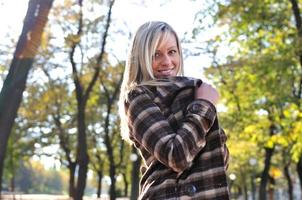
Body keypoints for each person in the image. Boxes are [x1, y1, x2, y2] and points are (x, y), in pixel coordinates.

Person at [119, 21, 229, 200]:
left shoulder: (190, 92)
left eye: (172, 52)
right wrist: (204, 105)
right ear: (142, 58)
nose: (167, 62)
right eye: (156, 55)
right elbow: (176, 156)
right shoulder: (138, 96)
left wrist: (214, 127)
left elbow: (219, 163)